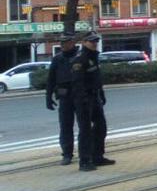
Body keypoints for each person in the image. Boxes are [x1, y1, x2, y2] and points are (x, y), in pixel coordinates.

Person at [71, 31, 114, 171]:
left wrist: (101, 94)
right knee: (85, 130)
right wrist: (82, 99)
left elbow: (96, 79)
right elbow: (77, 82)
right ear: (84, 42)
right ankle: (84, 160)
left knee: (101, 127)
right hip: (84, 99)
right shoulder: (80, 58)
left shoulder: (93, 57)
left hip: (94, 96)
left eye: (95, 41)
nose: (94, 43)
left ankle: (97, 156)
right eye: (91, 41)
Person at [45, 33, 79, 165]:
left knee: (85, 125)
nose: (63, 45)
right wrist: (48, 97)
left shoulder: (80, 57)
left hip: (80, 95)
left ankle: (86, 152)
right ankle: (67, 153)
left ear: (72, 43)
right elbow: (51, 80)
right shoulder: (57, 59)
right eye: (61, 43)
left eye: (66, 43)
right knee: (65, 126)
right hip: (65, 96)